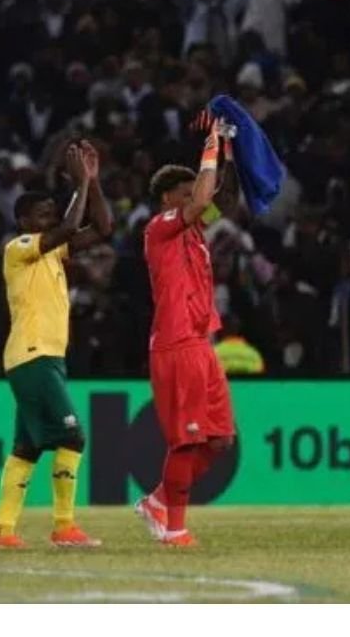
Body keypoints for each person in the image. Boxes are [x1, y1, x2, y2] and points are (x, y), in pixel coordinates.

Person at [0, 140, 112, 550]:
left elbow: (103, 228)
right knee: (73, 437)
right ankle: (64, 526)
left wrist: (92, 183)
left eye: (51, 214)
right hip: (32, 355)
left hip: (44, 358)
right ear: (23, 220)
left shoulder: (53, 253)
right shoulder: (17, 247)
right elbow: (69, 227)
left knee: (26, 448)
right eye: (42, 215)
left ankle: (3, 532)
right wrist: (80, 184)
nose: (51, 220)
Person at [134, 115, 241, 547]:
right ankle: (174, 528)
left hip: (200, 341)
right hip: (176, 342)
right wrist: (209, 146)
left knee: (221, 440)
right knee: (187, 440)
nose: (196, 199)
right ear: (168, 199)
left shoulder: (196, 228)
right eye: (186, 193)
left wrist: (228, 149)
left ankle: (159, 500)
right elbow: (199, 201)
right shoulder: (159, 228)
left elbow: (224, 200)